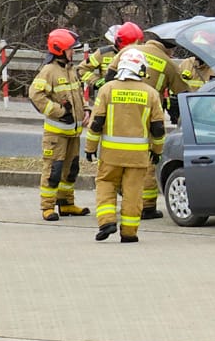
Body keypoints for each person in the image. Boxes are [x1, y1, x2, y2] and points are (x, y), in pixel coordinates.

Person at [85, 48, 166, 243]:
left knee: (106, 184)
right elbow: (158, 129)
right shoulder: (151, 94)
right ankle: (129, 233)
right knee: (133, 193)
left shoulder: (107, 89)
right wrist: (157, 151)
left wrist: (90, 148)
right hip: (138, 157)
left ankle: (107, 221)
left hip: (111, 155)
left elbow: (96, 123)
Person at [107, 31, 189, 219]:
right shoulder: (168, 64)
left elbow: (109, 76)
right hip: (147, 113)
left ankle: (115, 199)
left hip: (117, 109)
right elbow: (183, 92)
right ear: (170, 48)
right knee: (148, 160)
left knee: (115, 155)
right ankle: (147, 206)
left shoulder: (129, 50)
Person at [28, 28, 90, 221]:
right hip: (56, 134)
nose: (74, 52)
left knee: (71, 169)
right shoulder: (49, 71)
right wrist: (60, 112)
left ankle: (66, 204)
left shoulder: (71, 70)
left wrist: (86, 109)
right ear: (59, 49)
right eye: (71, 49)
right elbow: (35, 95)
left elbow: (78, 94)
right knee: (53, 170)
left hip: (73, 132)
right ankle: (47, 207)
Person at [77, 22, 144, 96]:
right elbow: (82, 69)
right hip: (109, 96)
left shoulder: (143, 55)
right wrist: (96, 81)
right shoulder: (104, 53)